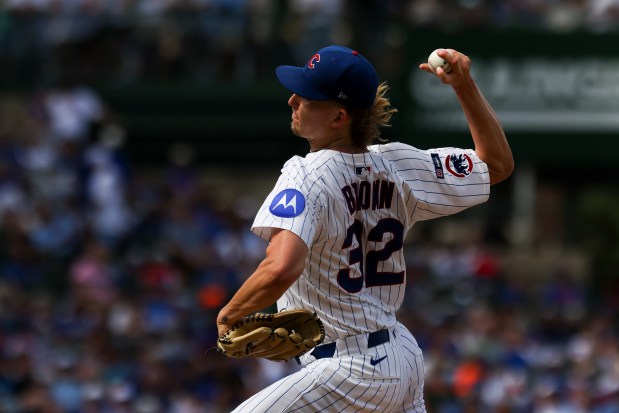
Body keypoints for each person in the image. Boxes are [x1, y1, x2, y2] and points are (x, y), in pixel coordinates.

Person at [216, 45, 514, 412]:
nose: (293, 99)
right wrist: (464, 85)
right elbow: (496, 165)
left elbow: (282, 266)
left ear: (339, 117)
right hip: (400, 359)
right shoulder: (398, 164)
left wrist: (229, 315)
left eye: (307, 96)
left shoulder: (305, 174)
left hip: (349, 370)